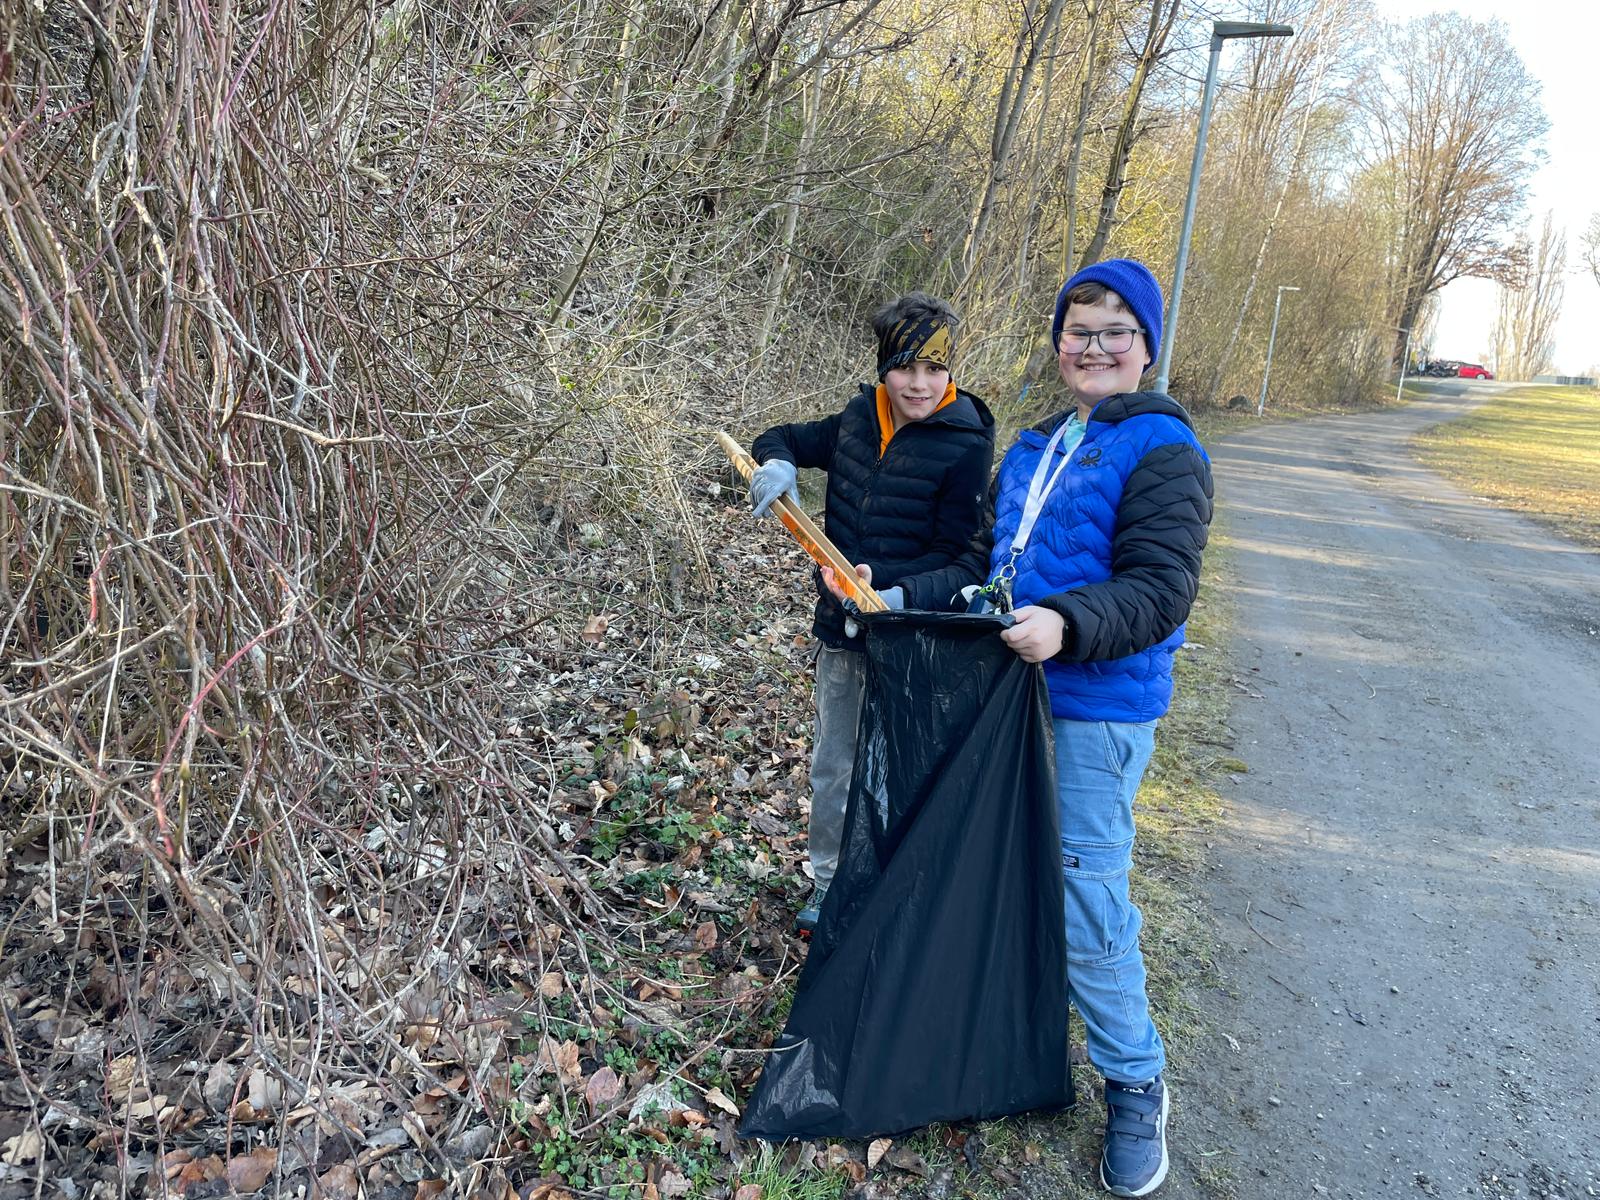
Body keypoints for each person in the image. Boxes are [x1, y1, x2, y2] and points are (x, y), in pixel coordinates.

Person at [846, 259, 1211, 1195]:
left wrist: (1068, 624)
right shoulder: (1035, 445)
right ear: (1059, 345)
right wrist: (896, 594)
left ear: (1145, 347)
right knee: (994, 869)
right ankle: (986, 1035)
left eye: (1116, 332)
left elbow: (1161, 589)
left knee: (1085, 897)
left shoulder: (1165, 448)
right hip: (1005, 692)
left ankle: (1135, 1080)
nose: (1094, 347)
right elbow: (983, 567)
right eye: (1079, 331)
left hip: (1095, 707)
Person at [747, 293, 995, 933]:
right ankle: (830, 884)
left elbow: (966, 560)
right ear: (885, 366)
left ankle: (885, 890)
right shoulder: (858, 418)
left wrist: (896, 596)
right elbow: (783, 437)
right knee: (835, 766)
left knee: (896, 770)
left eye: (934, 369)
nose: (919, 384)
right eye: (906, 367)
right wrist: (778, 464)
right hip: (842, 635)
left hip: (910, 640)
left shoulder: (965, 444)